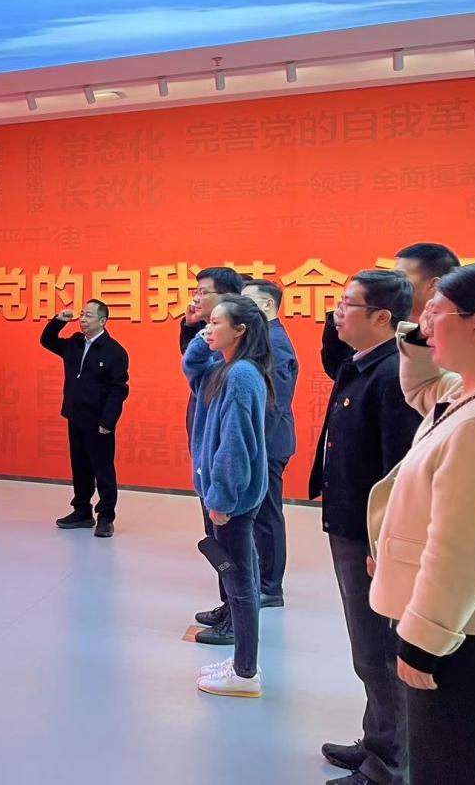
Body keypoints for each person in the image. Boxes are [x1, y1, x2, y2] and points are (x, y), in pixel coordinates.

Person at [368, 262, 475, 784]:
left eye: (438, 313)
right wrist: (419, 326)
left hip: (466, 637)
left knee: (454, 763)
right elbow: (423, 381)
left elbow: (461, 550)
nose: (425, 323)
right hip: (462, 627)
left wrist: (424, 639)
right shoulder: (469, 393)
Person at [312, 271, 421, 785]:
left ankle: (390, 765)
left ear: (382, 317)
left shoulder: (393, 375)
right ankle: (377, 741)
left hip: (371, 539)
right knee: (368, 650)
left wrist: (386, 543)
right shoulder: (361, 365)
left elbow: (398, 472)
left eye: (347, 305)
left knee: (379, 653)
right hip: (349, 526)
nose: (336, 313)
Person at [183, 295, 272, 697]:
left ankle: (245, 672)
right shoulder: (224, 369)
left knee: (239, 584)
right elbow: (192, 367)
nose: (208, 329)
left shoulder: (241, 376)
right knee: (239, 579)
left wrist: (221, 498)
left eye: (216, 323)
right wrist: (200, 338)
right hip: (225, 496)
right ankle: (242, 664)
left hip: (232, 500)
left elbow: (235, 445)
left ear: (241, 330)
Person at [179, 267, 245, 641]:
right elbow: (192, 367)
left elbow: (234, 439)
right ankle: (228, 605)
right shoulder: (217, 350)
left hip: (225, 474)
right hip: (210, 467)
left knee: (236, 550)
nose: (196, 298)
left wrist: (222, 488)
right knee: (220, 545)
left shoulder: (239, 364)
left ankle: (238, 623)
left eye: (204, 293)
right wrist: (196, 331)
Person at [41, 299, 130, 537]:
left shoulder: (114, 352)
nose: (82, 319)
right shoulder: (75, 343)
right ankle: (82, 511)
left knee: (102, 469)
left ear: (102, 321)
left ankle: (106, 517)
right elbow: (47, 341)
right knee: (80, 466)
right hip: (75, 415)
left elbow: (118, 390)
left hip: (99, 421)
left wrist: (108, 421)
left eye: (89, 315)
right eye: (82, 314)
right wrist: (59, 321)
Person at [240, 278, 299, 609]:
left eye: (248, 301)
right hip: (261, 442)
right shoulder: (263, 338)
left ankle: (270, 587)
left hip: (267, 443)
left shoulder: (274, 343)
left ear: (266, 305)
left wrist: (253, 447)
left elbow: (273, 403)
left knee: (267, 514)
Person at [322, 243, 460, 380]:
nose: (393, 281)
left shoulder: (460, 334)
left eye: (401, 276)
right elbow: (344, 373)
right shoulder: (388, 324)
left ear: (434, 285)